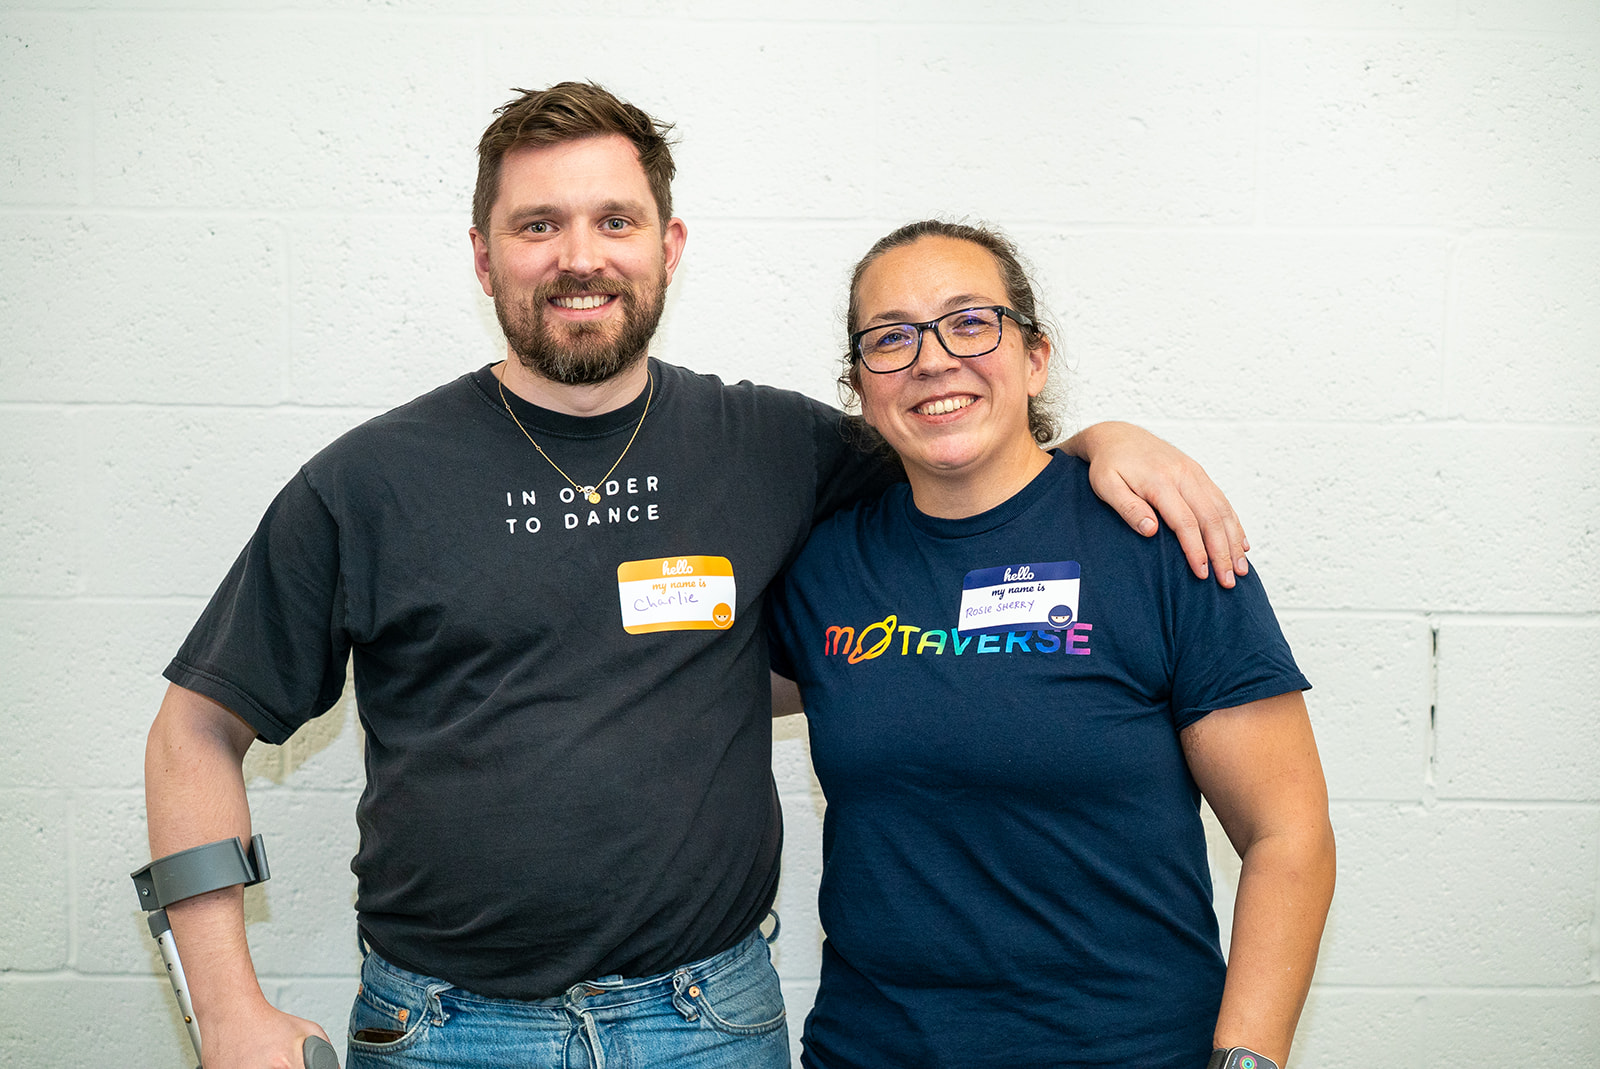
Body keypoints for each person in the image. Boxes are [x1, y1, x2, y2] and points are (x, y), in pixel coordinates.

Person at [143, 85, 1255, 1069]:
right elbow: (195, 729)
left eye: (613, 220)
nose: (580, 255)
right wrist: (227, 1007)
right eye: (538, 225)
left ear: (667, 245)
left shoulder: (775, 446)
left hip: (706, 1024)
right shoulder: (368, 481)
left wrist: (1094, 442)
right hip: (443, 1029)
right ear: (483, 257)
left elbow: (960, 438)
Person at [767, 220, 1337, 1069]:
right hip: (873, 1051)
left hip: (1132, 1051)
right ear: (860, 385)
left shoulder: (1157, 541)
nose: (931, 359)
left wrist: (1247, 1060)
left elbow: (1289, 832)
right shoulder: (824, 564)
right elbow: (675, 688)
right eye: (891, 338)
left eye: (969, 322)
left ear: (1035, 357)